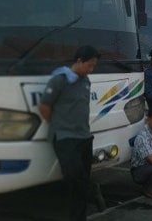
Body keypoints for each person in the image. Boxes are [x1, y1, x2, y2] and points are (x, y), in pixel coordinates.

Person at [39, 45, 104, 221]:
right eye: (89, 65)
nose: (91, 69)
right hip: (65, 138)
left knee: (81, 180)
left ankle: (80, 214)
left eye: (94, 66)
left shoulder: (85, 81)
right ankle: (90, 195)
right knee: (75, 179)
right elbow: (44, 106)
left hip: (84, 137)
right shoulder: (59, 80)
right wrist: (60, 124)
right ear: (79, 61)